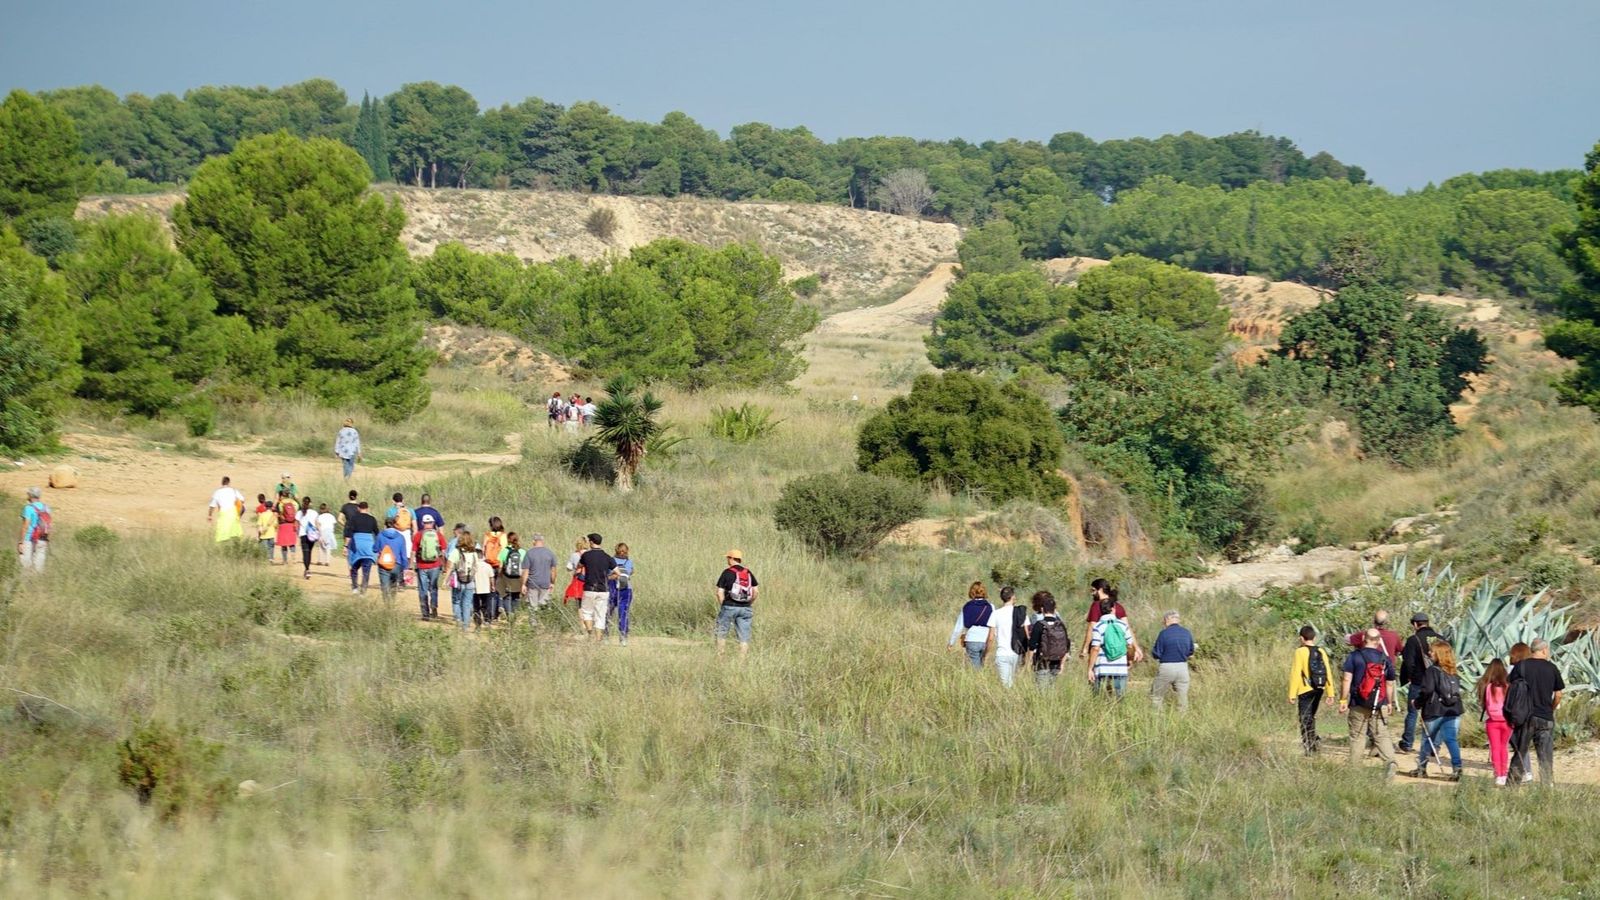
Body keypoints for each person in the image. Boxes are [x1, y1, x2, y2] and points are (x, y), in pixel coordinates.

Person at [1339, 628, 1399, 778]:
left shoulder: (1354, 656)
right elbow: (1390, 683)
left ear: (1364, 638)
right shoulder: (1385, 659)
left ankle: (1355, 770)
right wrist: (1389, 703)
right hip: (1379, 703)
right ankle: (1390, 762)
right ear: (1378, 641)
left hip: (1358, 703)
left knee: (1357, 736)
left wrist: (1343, 699)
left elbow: (1347, 679)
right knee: (1381, 735)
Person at [1509, 638, 1564, 785]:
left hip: (1525, 716)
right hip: (1545, 716)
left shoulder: (1521, 666)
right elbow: (1558, 694)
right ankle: (1546, 786)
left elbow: (1511, 688)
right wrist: (1551, 708)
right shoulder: (1551, 668)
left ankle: (1513, 786)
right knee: (1545, 755)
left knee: (1520, 752)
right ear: (1544, 650)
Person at [1408, 640, 1465, 781]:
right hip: (1453, 710)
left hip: (1434, 710)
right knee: (1451, 739)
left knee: (1428, 740)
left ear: (1438, 654)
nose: (1429, 653)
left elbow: (1427, 690)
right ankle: (1457, 768)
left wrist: (1417, 703)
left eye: (1432, 651)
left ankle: (1422, 768)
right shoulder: (1453, 671)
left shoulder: (1432, 670)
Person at [1397, 613, 1441, 753]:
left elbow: (1408, 662)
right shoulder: (1441, 639)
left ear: (1415, 624)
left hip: (1418, 681)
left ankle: (1408, 742)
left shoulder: (1413, 639)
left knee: (1413, 712)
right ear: (1427, 622)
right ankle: (1434, 746)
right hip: (1437, 681)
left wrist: (1409, 677)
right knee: (1435, 714)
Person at [1288, 626, 1336, 755]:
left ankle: (1310, 747)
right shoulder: (1321, 651)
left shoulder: (1299, 652)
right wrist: (1330, 693)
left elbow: (1296, 673)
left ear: (1301, 638)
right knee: (1311, 716)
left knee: (1304, 718)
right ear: (1314, 638)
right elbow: (1328, 672)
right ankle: (1313, 742)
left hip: (1305, 690)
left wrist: (1292, 694)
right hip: (1319, 688)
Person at [1080, 579, 1144, 664]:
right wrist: (1136, 647)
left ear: (1100, 590)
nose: (1092, 593)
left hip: (1102, 651)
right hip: (1119, 651)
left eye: (1093, 590)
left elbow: (1092, 627)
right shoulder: (1118, 606)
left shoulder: (1096, 606)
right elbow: (1127, 628)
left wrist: (1085, 648)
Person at [714, 549, 759, 656]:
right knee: (744, 636)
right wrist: (749, 603)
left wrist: (724, 605)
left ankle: (720, 657)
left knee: (722, 632)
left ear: (732, 559)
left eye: (728, 558)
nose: (727, 560)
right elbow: (756, 591)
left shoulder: (727, 572)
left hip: (729, 606)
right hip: (746, 608)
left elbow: (719, 592)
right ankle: (742, 661)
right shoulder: (748, 572)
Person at [1150, 610, 1196, 709]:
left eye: (1164, 620)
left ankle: (1157, 719)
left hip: (1166, 667)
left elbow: (1156, 653)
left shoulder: (1163, 633)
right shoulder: (1187, 633)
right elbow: (1191, 651)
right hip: (1183, 668)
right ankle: (1182, 720)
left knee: (1157, 696)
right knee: (1182, 698)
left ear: (1167, 619)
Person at [1478, 657, 1513, 786]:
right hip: (1506, 721)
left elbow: (1485, 704)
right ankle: (1504, 772)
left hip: (1492, 721)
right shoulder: (1507, 686)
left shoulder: (1487, 687)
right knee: (1504, 747)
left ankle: (1498, 773)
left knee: (1495, 747)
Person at [1086, 603, 1133, 697]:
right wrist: (1129, 659)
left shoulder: (1098, 626)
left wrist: (1090, 668)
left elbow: (1095, 648)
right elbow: (1130, 645)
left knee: (1099, 696)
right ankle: (1119, 711)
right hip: (1120, 666)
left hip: (1102, 666)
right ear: (1113, 609)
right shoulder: (1123, 625)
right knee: (1120, 696)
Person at [577, 533, 615, 642]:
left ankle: (590, 634)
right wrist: (607, 578)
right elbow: (617, 573)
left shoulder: (586, 555)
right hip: (603, 589)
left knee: (587, 612)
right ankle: (598, 640)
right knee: (600, 615)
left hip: (589, 588)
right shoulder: (607, 557)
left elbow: (579, 566)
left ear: (592, 542)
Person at [948, 582, 995, 671]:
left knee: (975, 670)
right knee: (983, 666)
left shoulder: (967, 606)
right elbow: (995, 626)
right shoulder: (991, 607)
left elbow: (958, 627)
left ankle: (977, 682)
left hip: (972, 639)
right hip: (986, 640)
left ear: (972, 592)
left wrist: (951, 643)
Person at [1028, 591, 1070, 687]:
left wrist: (1029, 662)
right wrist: (1062, 665)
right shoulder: (1060, 624)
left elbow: (1032, 645)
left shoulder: (1039, 624)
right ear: (1055, 609)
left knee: (1042, 691)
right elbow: (1066, 645)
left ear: (1042, 609)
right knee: (1052, 690)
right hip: (1056, 662)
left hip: (1041, 663)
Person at [991, 586, 1026, 687]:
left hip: (1002, 653)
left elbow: (990, 637)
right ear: (1013, 597)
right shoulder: (1021, 613)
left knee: (1006, 685)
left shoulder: (996, 614)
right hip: (1017, 652)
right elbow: (1027, 634)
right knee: (1014, 683)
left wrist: (986, 654)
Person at [413, 514, 446, 620]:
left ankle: (425, 613)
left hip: (421, 565)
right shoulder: (438, 535)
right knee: (433, 588)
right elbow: (443, 551)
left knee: (423, 589)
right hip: (435, 565)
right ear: (433, 523)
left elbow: (413, 551)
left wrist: (410, 566)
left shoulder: (418, 535)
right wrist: (444, 565)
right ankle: (434, 606)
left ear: (422, 523)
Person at [344, 501, 380, 595]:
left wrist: (346, 546)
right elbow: (377, 533)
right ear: (367, 508)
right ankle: (363, 592)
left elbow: (349, 533)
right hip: (368, 547)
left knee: (354, 568)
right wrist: (378, 548)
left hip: (357, 546)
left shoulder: (354, 518)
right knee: (366, 571)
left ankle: (355, 588)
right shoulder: (372, 519)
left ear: (358, 508)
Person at [445, 533, 477, 632]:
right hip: (470, 581)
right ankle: (466, 625)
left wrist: (445, 579)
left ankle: (459, 619)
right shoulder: (474, 553)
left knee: (456, 601)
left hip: (458, 581)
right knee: (467, 604)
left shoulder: (456, 552)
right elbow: (476, 568)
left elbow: (449, 567)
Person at [376, 516, 410, 604]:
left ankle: (387, 605)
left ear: (385, 525)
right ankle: (392, 604)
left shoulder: (380, 535)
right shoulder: (400, 537)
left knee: (385, 586)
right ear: (395, 525)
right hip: (396, 564)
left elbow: (375, 548)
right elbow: (403, 554)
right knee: (393, 585)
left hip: (383, 564)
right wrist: (405, 567)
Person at [520, 533, 558, 610]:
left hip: (533, 584)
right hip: (545, 583)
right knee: (543, 606)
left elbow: (526, 571)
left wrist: (523, 584)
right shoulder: (550, 553)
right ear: (542, 541)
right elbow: (553, 571)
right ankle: (543, 621)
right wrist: (552, 583)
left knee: (533, 607)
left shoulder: (529, 553)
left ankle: (534, 621)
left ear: (534, 541)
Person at [18, 487, 51, 573]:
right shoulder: (46, 507)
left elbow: (25, 526)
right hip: (43, 538)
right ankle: (38, 583)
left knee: (25, 566)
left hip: (29, 539)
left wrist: (21, 542)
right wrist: (47, 538)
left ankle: (26, 584)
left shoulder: (28, 508)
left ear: (30, 496)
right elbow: (48, 524)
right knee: (39, 567)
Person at [608, 542, 635, 646]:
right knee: (623, 614)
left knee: (608, 613)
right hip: (626, 589)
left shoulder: (611, 560)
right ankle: (623, 637)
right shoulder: (629, 562)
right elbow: (629, 572)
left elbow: (607, 574)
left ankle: (606, 635)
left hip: (612, 588)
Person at [496, 532, 525, 620]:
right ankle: (514, 613)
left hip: (507, 578)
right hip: (519, 578)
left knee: (506, 596)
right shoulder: (522, 551)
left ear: (508, 540)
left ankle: (509, 614)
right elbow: (525, 567)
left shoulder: (504, 551)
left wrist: (499, 576)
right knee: (516, 597)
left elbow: (500, 566)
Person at [207, 476, 245, 544]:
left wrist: (210, 515)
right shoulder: (233, 490)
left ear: (222, 483)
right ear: (229, 483)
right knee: (235, 533)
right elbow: (242, 500)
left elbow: (212, 505)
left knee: (222, 534)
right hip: (233, 513)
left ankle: (224, 549)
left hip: (223, 513)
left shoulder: (217, 492)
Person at [483, 517, 508, 616]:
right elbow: (505, 551)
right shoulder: (503, 536)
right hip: (499, 564)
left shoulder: (487, 535)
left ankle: (490, 612)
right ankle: (499, 607)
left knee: (490, 589)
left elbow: (484, 549)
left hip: (489, 564)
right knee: (499, 588)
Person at [471, 545, 495, 629]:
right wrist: (492, 586)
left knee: (476, 607)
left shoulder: (473, 566)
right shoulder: (488, 566)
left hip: (475, 589)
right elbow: (491, 577)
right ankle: (487, 620)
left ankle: (478, 623)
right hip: (486, 589)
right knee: (486, 606)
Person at [273, 492, 299, 564]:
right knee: (291, 542)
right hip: (292, 524)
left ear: (282, 496)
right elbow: (296, 513)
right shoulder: (294, 503)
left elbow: (277, 514)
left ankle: (285, 560)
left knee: (284, 543)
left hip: (283, 524)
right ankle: (293, 558)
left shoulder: (280, 503)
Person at [296, 501, 320, 579]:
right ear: (310, 503)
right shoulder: (314, 513)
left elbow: (297, 525)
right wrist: (319, 533)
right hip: (312, 535)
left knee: (305, 553)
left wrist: (297, 533)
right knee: (309, 552)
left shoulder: (299, 513)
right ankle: (307, 569)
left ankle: (307, 569)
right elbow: (317, 524)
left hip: (303, 535)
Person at [254, 494, 276, 560]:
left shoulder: (258, 508)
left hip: (263, 530)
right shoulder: (273, 512)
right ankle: (270, 558)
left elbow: (259, 520)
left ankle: (263, 557)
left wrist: (260, 531)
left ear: (258, 500)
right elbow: (275, 523)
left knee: (263, 545)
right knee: (271, 546)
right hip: (271, 532)